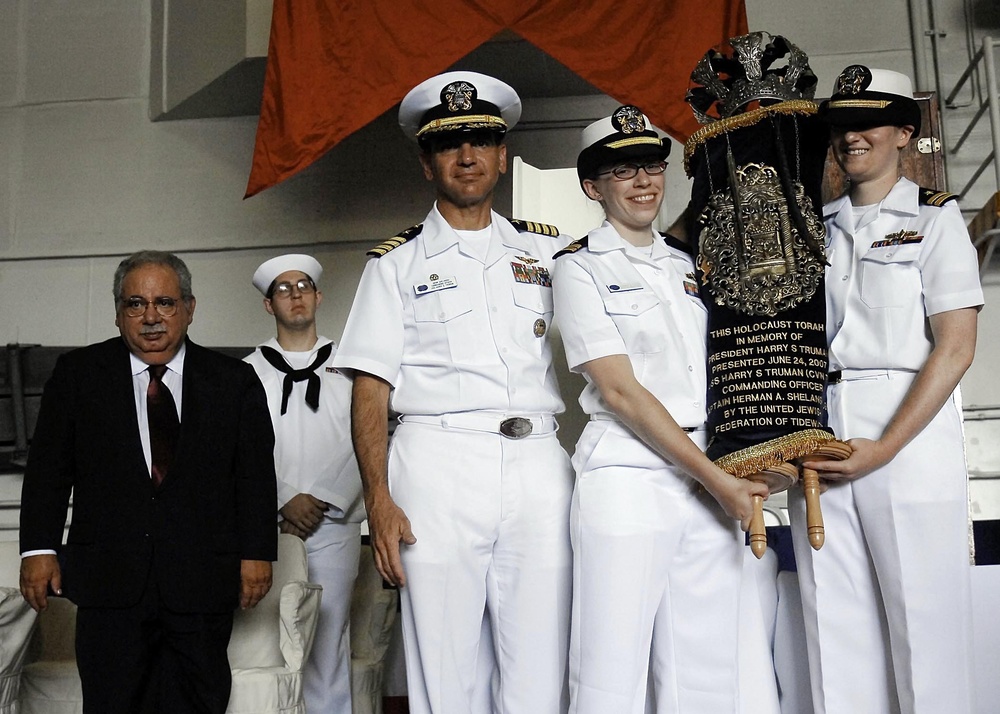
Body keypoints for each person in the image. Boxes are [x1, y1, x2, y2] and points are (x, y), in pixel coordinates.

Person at [332, 70, 574, 713]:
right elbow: (369, 387)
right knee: (445, 664)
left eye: (480, 141)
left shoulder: (547, 254)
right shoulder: (396, 264)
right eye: (449, 144)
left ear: (502, 156)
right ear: (427, 163)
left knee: (541, 658)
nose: (466, 156)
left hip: (538, 461)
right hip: (439, 463)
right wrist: (378, 500)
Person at [551, 106, 766, 714]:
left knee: (704, 663)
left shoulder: (690, 263)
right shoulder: (578, 267)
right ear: (593, 187)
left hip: (708, 474)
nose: (645, 181)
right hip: (629, 476)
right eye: (624, 171)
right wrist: (716, 477)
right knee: (609, 668)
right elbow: (619, 391)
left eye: (652, 166)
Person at [791, 66, 982, 714]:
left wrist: (887, 447)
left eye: (869, 121)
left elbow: (956, 346)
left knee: (925, 633)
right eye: (842, 124)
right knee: (833, 631)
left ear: (906, 130)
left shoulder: (936, 220)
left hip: (907, 433)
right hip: (822, 427)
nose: (852, 136)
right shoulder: (809, 227)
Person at [18, 250, 278, 714]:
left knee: (198, 702)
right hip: (109, 582)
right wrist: (38, 550)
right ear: (118, 313)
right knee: (111, 703)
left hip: (201, 580)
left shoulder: (234, 381)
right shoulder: (78, 376)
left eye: (166, 303)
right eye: (136, 304)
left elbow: (254, 476)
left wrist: (256, 552)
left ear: (190, 308)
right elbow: (48, 471)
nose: (151, 317)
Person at [244, 253, 364, 713]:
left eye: (303, 286)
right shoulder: (245, 372)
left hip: (334, 524)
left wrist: (322, 498)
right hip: (269, 528)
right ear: (268, 305)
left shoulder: (354, 365)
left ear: (317, 296)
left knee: (327, 643)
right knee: (267, 642)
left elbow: (368, 438)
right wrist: (282, 499)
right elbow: (240, 449)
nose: (295, 294)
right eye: (282, 288)